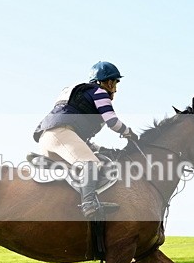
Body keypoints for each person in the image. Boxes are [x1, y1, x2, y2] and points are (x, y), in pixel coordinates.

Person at [33, 61, 138, 219]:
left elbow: (78, 137)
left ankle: (54, 168)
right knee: (92, 164)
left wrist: (100, 148)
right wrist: (129, 133)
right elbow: (112, 122)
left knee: (93, 159)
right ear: (109, 82)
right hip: (60, 135)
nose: (116, 88)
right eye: (116, 82)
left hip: (52, 138)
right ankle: (89, 203)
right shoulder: (99, 93)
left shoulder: (84, 96)